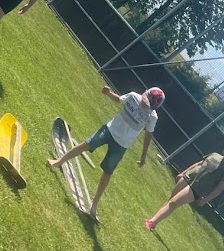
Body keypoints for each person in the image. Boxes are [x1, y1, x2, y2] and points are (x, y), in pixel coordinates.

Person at [48, 85, 165, 222]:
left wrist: (143, 155)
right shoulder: (134, 97)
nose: (145, 104)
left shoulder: (152, 117)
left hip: (122, 144)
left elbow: (148, 135)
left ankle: (94, 204)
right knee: (86, 145)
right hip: (109, 130)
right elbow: (119, 99)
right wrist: (108, 93)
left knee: (108, 171)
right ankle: (58, 162)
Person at [145, 142, 224, 231]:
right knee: (171, 200)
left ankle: (152, 222)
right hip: (188, 177)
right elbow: (199, 164)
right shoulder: (215, 155)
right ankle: (153, 221)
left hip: (197, 189)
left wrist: (205, 199)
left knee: (173, 202)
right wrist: (183, 173)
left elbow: (219, 189)